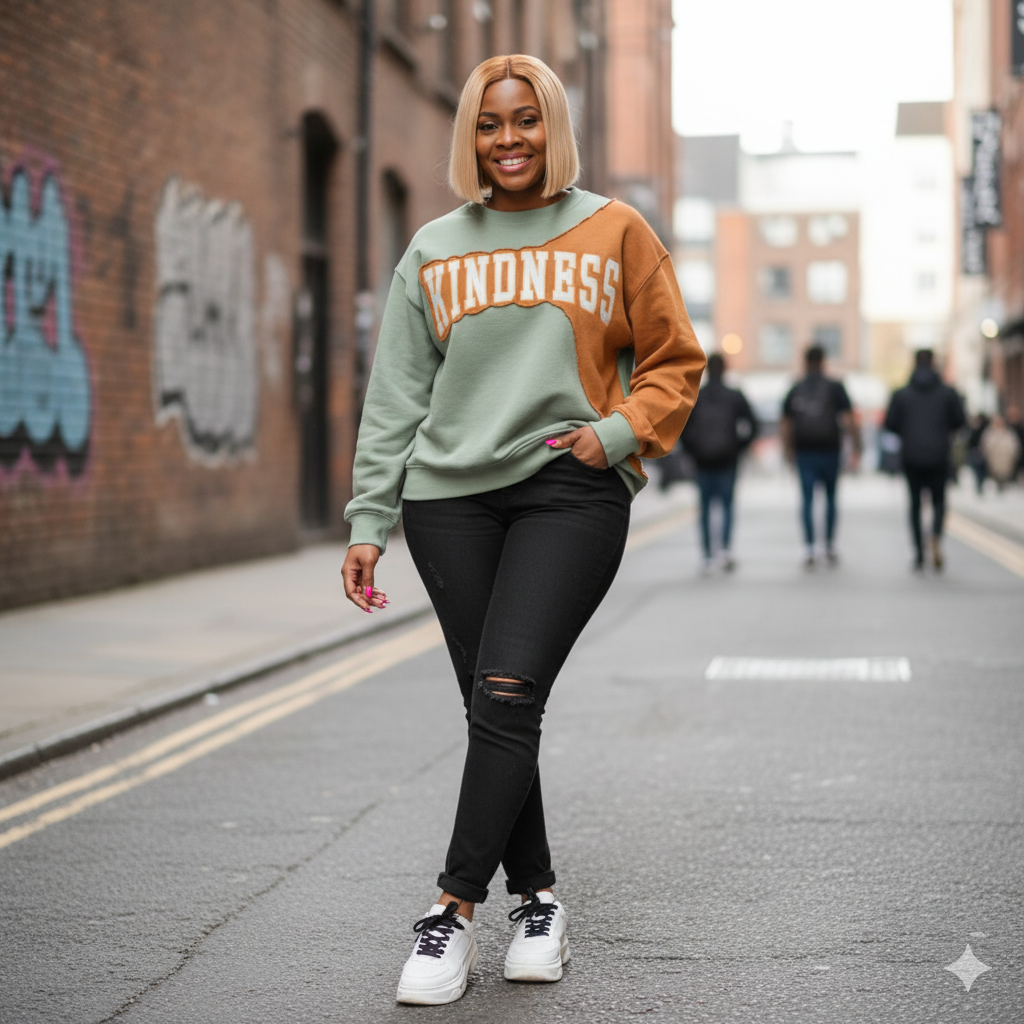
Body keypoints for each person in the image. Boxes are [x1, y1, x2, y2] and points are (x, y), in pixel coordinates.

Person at [340, 54, 704, 1006]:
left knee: (504, 691)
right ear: (472, 136)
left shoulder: (616, 230)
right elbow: (394, 399)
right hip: (446, 502)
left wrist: (617, 436)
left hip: (567, 490)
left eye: (527, 120)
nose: (510, 140)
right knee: (499, 708)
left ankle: (451, 912)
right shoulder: (432, 247)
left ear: (554, 127)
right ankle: (537, 898)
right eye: (492, 124)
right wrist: (370, 517)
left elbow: (675, 359)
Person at [883, 349, 966, 570]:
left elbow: (890, 424)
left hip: (911, 456)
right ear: (934, 364)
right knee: (939, 501)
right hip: (939, 455)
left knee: (915, 504)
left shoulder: (901, 394)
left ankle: (919, 553)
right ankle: (936, 535)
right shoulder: (948, 393)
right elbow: (960, 421)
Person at [780, 345, 861, 567]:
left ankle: (809, 547)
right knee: (831, 498)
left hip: (804, 451)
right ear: (824, 361)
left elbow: (786, 423)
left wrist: (787, 450)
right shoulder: (835, 387)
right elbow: (849, 419)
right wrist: (856, 447)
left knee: (807, 499)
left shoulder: (796, 388)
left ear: (805, 362)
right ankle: (829, 545)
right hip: (830, 450)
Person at [679, 352, 757, 571]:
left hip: (702, 461)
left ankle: (706, 554)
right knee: (727, 506)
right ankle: (724, 550)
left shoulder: (696, 396)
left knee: (704, 508)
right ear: (724, 369)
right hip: (727, 460)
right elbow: (753, 424)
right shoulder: (735, 395)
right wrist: (739, 448)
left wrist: (692, 452)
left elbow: (682, 427)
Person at [980, 413, 1022, 491]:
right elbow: (985, 446)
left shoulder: (1009, 433)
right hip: (994, 460)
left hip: (1006, 460)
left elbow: (1014, 446)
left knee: (1005, 475)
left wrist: (1013, 456)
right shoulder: (989, 434)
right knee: (996, 475)